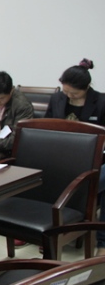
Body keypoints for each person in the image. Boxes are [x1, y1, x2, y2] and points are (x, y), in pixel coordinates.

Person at [44, 59, 105, 256]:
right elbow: (46, 126)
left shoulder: (101, 102)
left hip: (95, 160)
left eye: (75, 94)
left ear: (86, 88)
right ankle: (45, 229)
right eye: (66, 92)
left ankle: (102, 241)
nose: (69, 96)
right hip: (60, 156)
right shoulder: (57, 99)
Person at [0, 71, 34, 161]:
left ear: (11, 90)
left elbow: (17, 139)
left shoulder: (22, 106)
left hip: (9, 153)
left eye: (1, 98)